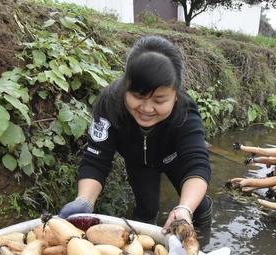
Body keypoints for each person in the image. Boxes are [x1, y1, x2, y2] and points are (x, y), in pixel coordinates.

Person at [58, 35, 212, 232]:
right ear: (126, 86)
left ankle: (201, 241)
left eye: (159, 100)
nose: (147, 108)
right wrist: (85, 202)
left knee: (196, 207)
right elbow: (96, 161)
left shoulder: (185, 111)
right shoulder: (109, 104)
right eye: (138, 96)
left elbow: (196, 164)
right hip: (138, 162)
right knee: (146, 212)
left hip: (175, 158)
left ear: (175, 95)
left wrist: (184, 208)